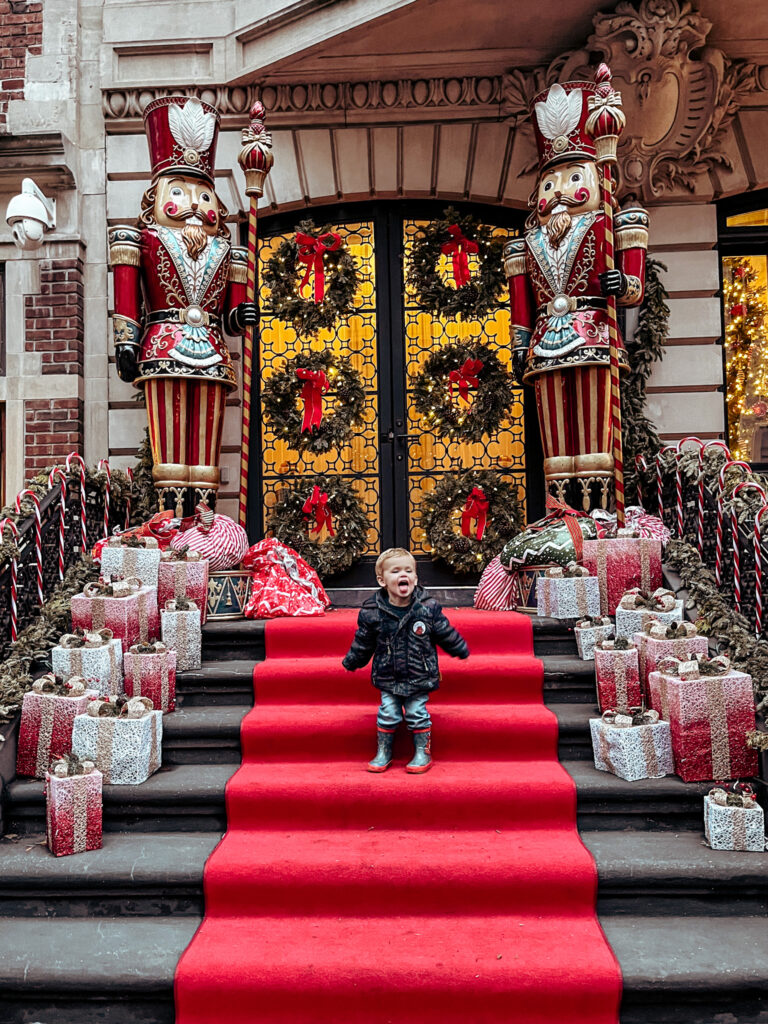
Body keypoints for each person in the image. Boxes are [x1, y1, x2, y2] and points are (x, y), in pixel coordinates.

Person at [503, 70, 648, 510]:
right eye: (550, 183)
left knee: (594, 432)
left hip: (595, 333)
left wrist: (621, 283)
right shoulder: (527, 242)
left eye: (572, 178)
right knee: (556, 442)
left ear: (596, 177)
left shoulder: (614, 221)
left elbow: (634, 286)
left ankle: (598, 509)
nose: (560, 192)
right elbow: (522, 306)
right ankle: (560, 506)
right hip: (547, 344)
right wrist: (519, 343)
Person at [109, 95, 261, 516]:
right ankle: (172, 523)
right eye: (179, 192)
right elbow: (127, 297)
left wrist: (239, 315)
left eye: (203, 196)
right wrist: (126, 342)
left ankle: (207, 521)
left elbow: (230, 316)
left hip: (212, 351)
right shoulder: (139, 240)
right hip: (162, 344)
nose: (194, 204)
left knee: (206, 450)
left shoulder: (230, 252)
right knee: (171, 445)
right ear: (156, 197)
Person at [342, 548, 469, 774]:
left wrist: (458, 647)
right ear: (382, 580)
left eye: (409, 570)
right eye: (396, 571)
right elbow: (363, 642)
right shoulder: (373, 611)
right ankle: (384, 751)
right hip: (387, 674)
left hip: (419, 673)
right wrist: (352, 661)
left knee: (416, 712)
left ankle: (422, 751)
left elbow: (444, 632)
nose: (404, 575)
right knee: (388, 712)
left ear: (416, 578)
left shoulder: (427, 607)